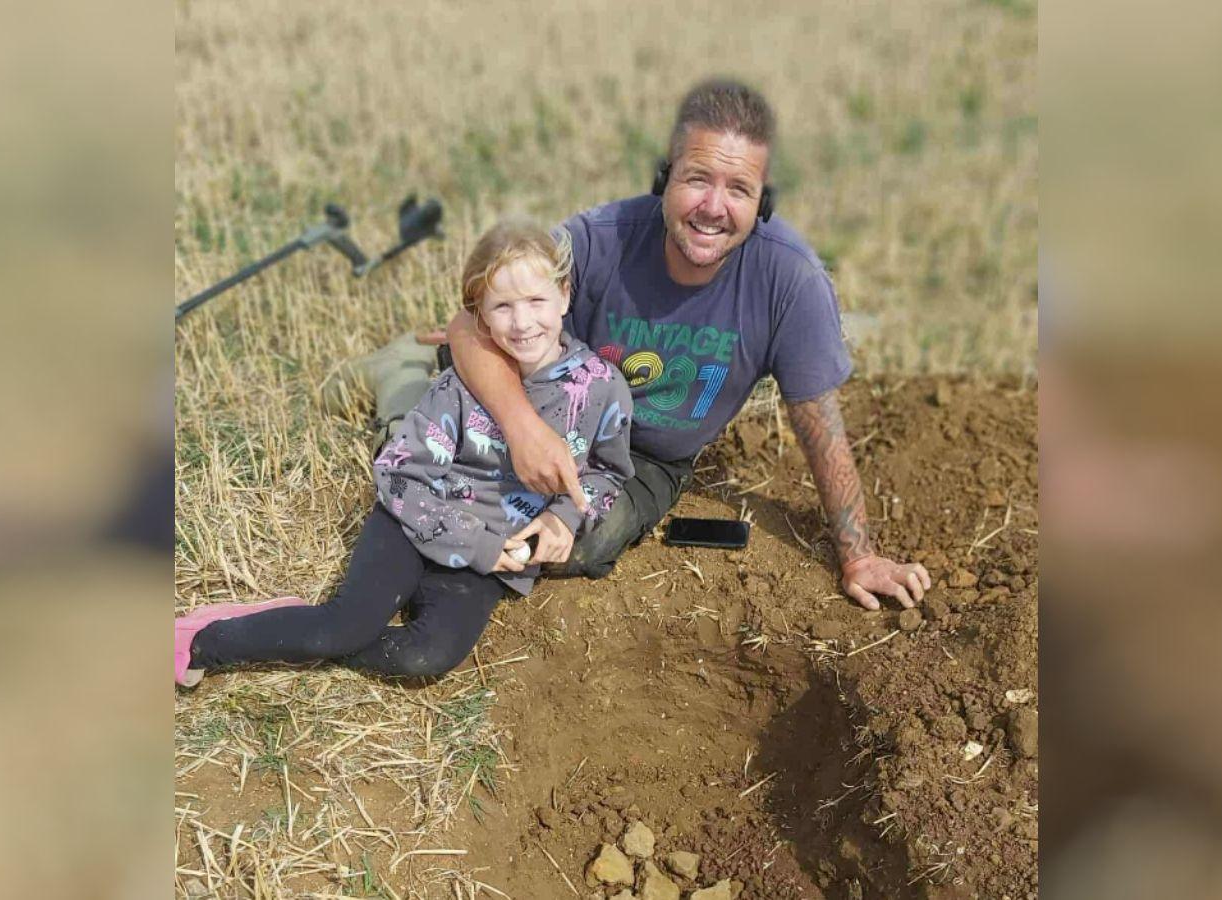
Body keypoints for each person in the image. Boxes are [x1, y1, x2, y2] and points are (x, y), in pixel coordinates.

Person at [433, 78, 928, 610]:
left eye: (738, 188)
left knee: (568, 540)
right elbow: (468, 323)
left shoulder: (790, 281)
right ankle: (403, 394)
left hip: (645, 459)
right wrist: (523, 427)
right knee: (440, 437)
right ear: (663, 180)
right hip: (549, 409)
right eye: (697, 179)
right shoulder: (600, 236)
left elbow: (820, 424)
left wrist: (858, 555)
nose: (713, 206)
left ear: (763, 202)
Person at [174, 220, 634, 686]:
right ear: (479, 314)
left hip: (493, 560)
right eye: (502, 306)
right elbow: (398, 476)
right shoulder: (464, 383)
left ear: (564, 295)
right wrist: (478, 543)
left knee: (426, 656)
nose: (522, 322)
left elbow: (607, 473)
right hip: (415, 521)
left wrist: (565, 517)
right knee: (343, 627)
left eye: (536, 301)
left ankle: (300, 629)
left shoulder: (603, 390)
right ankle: (204, 641)